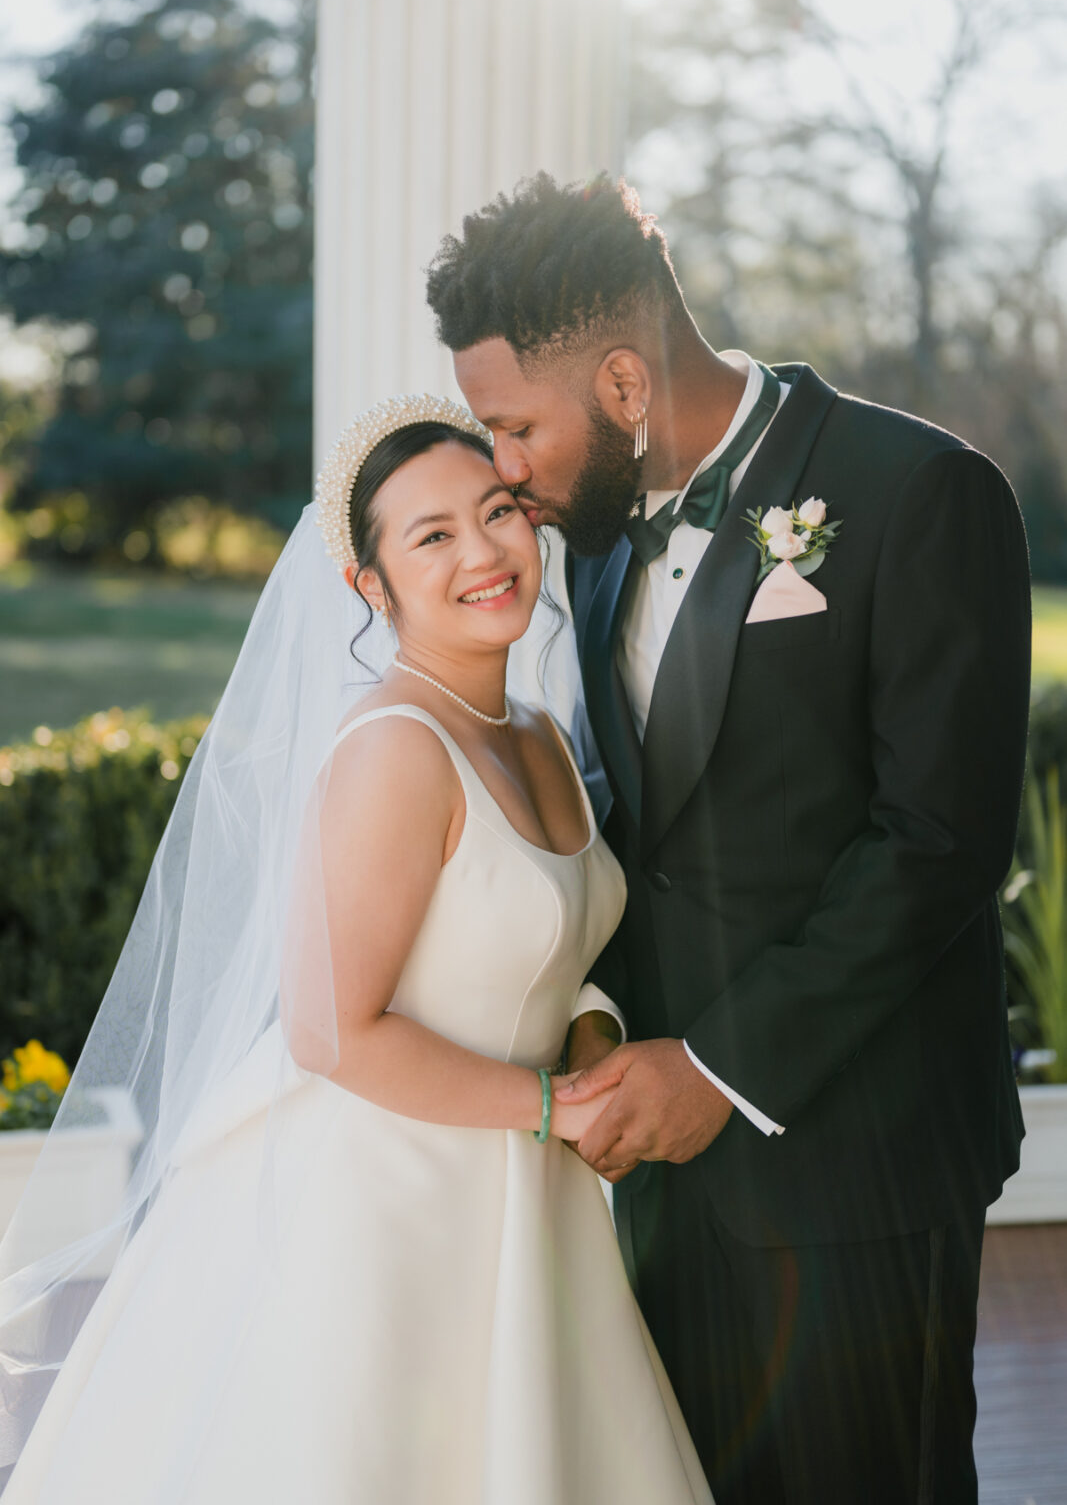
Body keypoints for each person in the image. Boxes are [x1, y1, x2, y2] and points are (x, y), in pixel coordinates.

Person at [426, 173, 1032, 1505]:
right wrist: (596, 1017)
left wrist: (715, 1068)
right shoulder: (585, 541)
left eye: (513, 426)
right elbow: (622, 822)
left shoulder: (920, 491)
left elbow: (934, 842)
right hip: (653, 1168)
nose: (501, 469)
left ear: (624, 385)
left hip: (852, 1160)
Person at [0, 396, 713, 1504]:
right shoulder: (395, 749)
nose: (483, 551)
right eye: (431, 536)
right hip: (386, 1202)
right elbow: (332, 1028)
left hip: (527, 1193)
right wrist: (547, 1106)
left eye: (498, 511)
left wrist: (586, 1032)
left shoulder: (531, 731)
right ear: (368, 587)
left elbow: (542, 946)